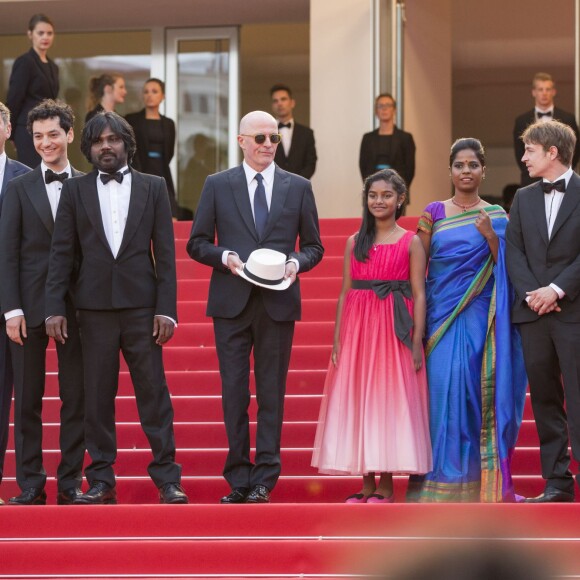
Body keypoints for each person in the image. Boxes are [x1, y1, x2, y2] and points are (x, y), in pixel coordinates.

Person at [45, 111, 187, 505]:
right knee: (96, 398)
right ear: (88, 148)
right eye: (97, 141)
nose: (106, 146)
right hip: (91, 311)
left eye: (113, 139)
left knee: (154, 395)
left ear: (127, 143)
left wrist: (167, 309)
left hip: (143, 309)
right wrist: (54, 306)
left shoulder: (154, 187)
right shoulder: (74, 191)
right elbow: (61, 254)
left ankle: (167, 480)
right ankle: (102, 481)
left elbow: (167, 256)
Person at [187, 110, 323, 503]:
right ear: (241, 141)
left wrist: (297, 263)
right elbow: (197, 242)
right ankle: (238, 478)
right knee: (233, 393)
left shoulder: (298, 186)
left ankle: (265, 478)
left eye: (274, 139)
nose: (267, 145)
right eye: (260, 138)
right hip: (231, 301)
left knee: (271, 393)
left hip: (278, 301)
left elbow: (314, 245)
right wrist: (225, 255)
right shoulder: (217, 185)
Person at [311, 169, 432, 502]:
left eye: (387, 195)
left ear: (401, 199)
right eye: (373, 195)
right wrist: (338, 340)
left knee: (388, 400)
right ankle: (366, 482)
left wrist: (417, 338)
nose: (379, 201)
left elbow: (420, 293)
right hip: (360, 329)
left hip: (395, 329)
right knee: (360, 398)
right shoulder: (354, 242)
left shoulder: (412, 242)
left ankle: (387, 483)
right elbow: (344, 292)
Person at [417, 138, 527, 502]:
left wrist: (491, 239)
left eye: (473, 165)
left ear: (483, 171)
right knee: (441, 393)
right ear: (450, 170)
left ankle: (475, 482)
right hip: (440, 317)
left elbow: (511, 269)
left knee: (472, 395)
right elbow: (418, 271)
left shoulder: (496, 215)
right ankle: (439, 482)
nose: (466, 171)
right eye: (459, 165)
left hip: (481, 317)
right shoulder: (433, 212)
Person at [0, 100, 84, 505]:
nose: (46, 143)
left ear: (69, 134)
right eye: (37, 136)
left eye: (53, 134)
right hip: (29, 310)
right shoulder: (17, 188)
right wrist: (11, 309)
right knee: (28, 400)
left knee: (75, 398)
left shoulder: (88, 185)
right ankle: (31, 484)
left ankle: (70, 483)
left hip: (75, 310)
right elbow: (8, 253)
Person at [506, 120, 580, 503]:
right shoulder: (523, 198)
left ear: (552, 152)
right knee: (546, 400)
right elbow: (513, 251)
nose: (523, 157)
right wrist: (535, 294)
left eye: (530, 150)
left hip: (573, 312)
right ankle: (557, 484)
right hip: (534, 315)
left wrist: (556, 289)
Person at [0, 102, 31, 504]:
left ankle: (29, 484)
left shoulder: (26, 178)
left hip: (19, 308)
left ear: (8, 129)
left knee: (22, 397)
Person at [6, 14, 59, 168]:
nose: (45, 37)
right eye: (40, 33)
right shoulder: (25, 62)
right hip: (27, 129)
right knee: (31, 174)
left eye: (49, 33)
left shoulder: (53, 66)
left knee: (49, 171)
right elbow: (15, 98)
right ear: (30, 34)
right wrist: (12, 132)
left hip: (48, 128)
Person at [513, 73, 580, 186]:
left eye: (547, 89)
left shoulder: (568, 118)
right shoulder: (521, 121)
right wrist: (532, 171)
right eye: (540, 89)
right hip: (530, 179)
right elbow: (520, 151)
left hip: (561, 178)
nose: (544, 93)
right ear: (534, 92)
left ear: (553, 92)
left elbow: (575, 149)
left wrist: (563, 171)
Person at [125, 78, 178, 218]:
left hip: (162, 170)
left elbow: (170, 152)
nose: (149, 95)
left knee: (169, 215)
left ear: (163, 96)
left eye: (154, 91)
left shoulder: (168, 124)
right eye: (146, 92)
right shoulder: (131, 120)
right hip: (140, 169)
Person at [359, 94, 416, 195]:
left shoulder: (405, 138)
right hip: (373, 190)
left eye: (388, 105)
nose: (384, 109)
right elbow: (363, 166)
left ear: (394, 110)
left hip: (397, 191)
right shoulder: (368, 138)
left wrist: (400, 190)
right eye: (380, 106)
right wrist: (370, 188)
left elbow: (410, 169)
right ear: (376, 111)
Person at [271, 84, 317, 179]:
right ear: (272, 106)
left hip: (300, 187)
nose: (279, 103)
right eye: (276, 101)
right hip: (272, 187)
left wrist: (297, 183)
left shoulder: (306, 133)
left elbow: (311, 163)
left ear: (292, 103)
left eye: (283, 99)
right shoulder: (267, 133)